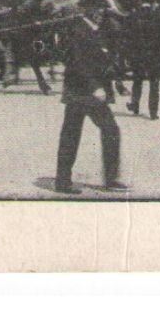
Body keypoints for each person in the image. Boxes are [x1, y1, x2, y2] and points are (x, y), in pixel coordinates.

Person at [53, 17, 127, 194]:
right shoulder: (80, 29)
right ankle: (110, 180)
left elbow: (101, 57)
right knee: (110, 130)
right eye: (98, 8)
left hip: (78, 91)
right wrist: (96, 87)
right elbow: (79, 62)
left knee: (70, 134)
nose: (101, 13)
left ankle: (62, 181)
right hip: (85, 90)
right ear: (89, 9)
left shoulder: (92, 27)